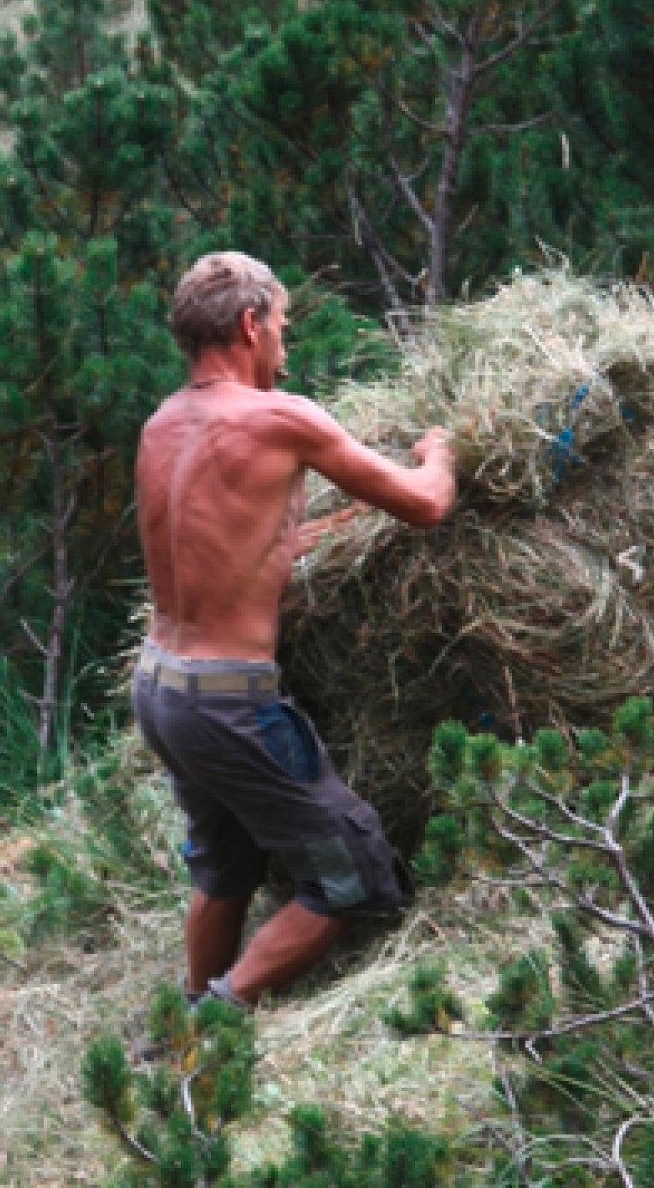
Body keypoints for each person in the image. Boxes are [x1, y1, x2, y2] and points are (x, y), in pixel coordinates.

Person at [132, 250, 457, 1011]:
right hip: (228, 701)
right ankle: (208, 1029)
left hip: (161, 689)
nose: (286, 344)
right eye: (281, 326)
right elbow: (427, 504)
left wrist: (334, 527)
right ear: (250, 325)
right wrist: (440, 453)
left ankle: (189, 1009)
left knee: (227, 865)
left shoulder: (160, 426)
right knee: (355, 874)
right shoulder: (281, 417)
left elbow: (230, 550)